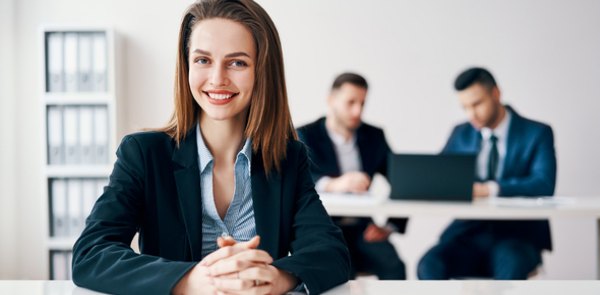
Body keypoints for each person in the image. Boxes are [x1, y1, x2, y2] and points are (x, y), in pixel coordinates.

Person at [71, 1, 350, 294]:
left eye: (237, 62)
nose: (218, 78)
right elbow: (91, 254)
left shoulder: (287, 158)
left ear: (262, 72)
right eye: (203, 60)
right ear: (186, 65)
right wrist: (192, 279)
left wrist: (273, 278)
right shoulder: (144, 154)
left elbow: (331, 253)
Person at [418, 67, 557, 280]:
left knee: (510, 266)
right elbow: (441, 176)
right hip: (468, 233)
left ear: (496, 94)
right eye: (464, 107)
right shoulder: (461, 132)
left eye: (476, 104)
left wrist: (489, 189)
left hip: (517, 235)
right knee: (429, 265)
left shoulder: (537, 133)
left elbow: (543, 183)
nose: (471, 114)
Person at [297, 72, 407, 280]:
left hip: (363, 228)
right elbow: (297, 179)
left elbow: (402, 180)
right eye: (350, 102)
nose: (357, 111)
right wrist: (335, 184)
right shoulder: (305, 134)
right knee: (341, 270)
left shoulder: (374, 136)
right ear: (331, 100)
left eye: (362, 103)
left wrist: (390, 226)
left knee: (394, 267)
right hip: (324, 228)